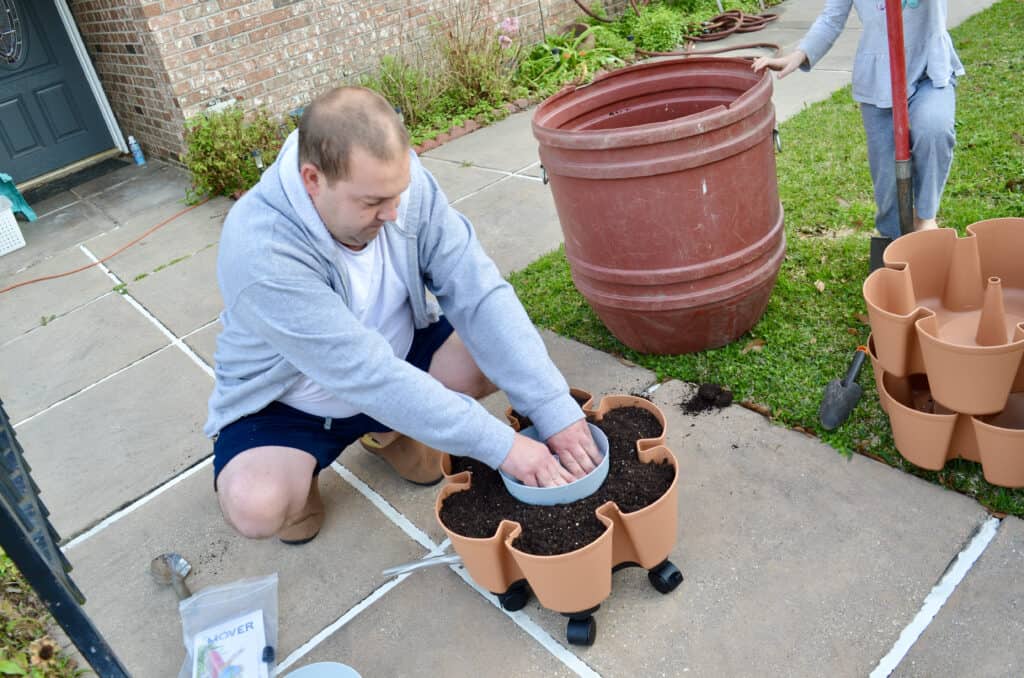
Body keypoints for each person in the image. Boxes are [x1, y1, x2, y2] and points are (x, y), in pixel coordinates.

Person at [204, 86, 601, 545]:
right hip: (293, 405)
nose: (394, 214)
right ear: (313, 180)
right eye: (372, 203)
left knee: (491, 351)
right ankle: (307, 474)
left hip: (398, 357)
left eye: (399, 193)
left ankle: (387, 431)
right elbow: (366, 375)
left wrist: (554, 408)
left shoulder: (399, 186)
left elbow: (479, 293)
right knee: (262, 507)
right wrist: (506, 448)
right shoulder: (262, 252)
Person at [752, 0, 964, 238]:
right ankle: (893, 236)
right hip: (879, 78)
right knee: (886, 172)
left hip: (929, 69)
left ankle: (924, 218)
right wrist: (801, 54)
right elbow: (831, 18)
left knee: (934, 129)